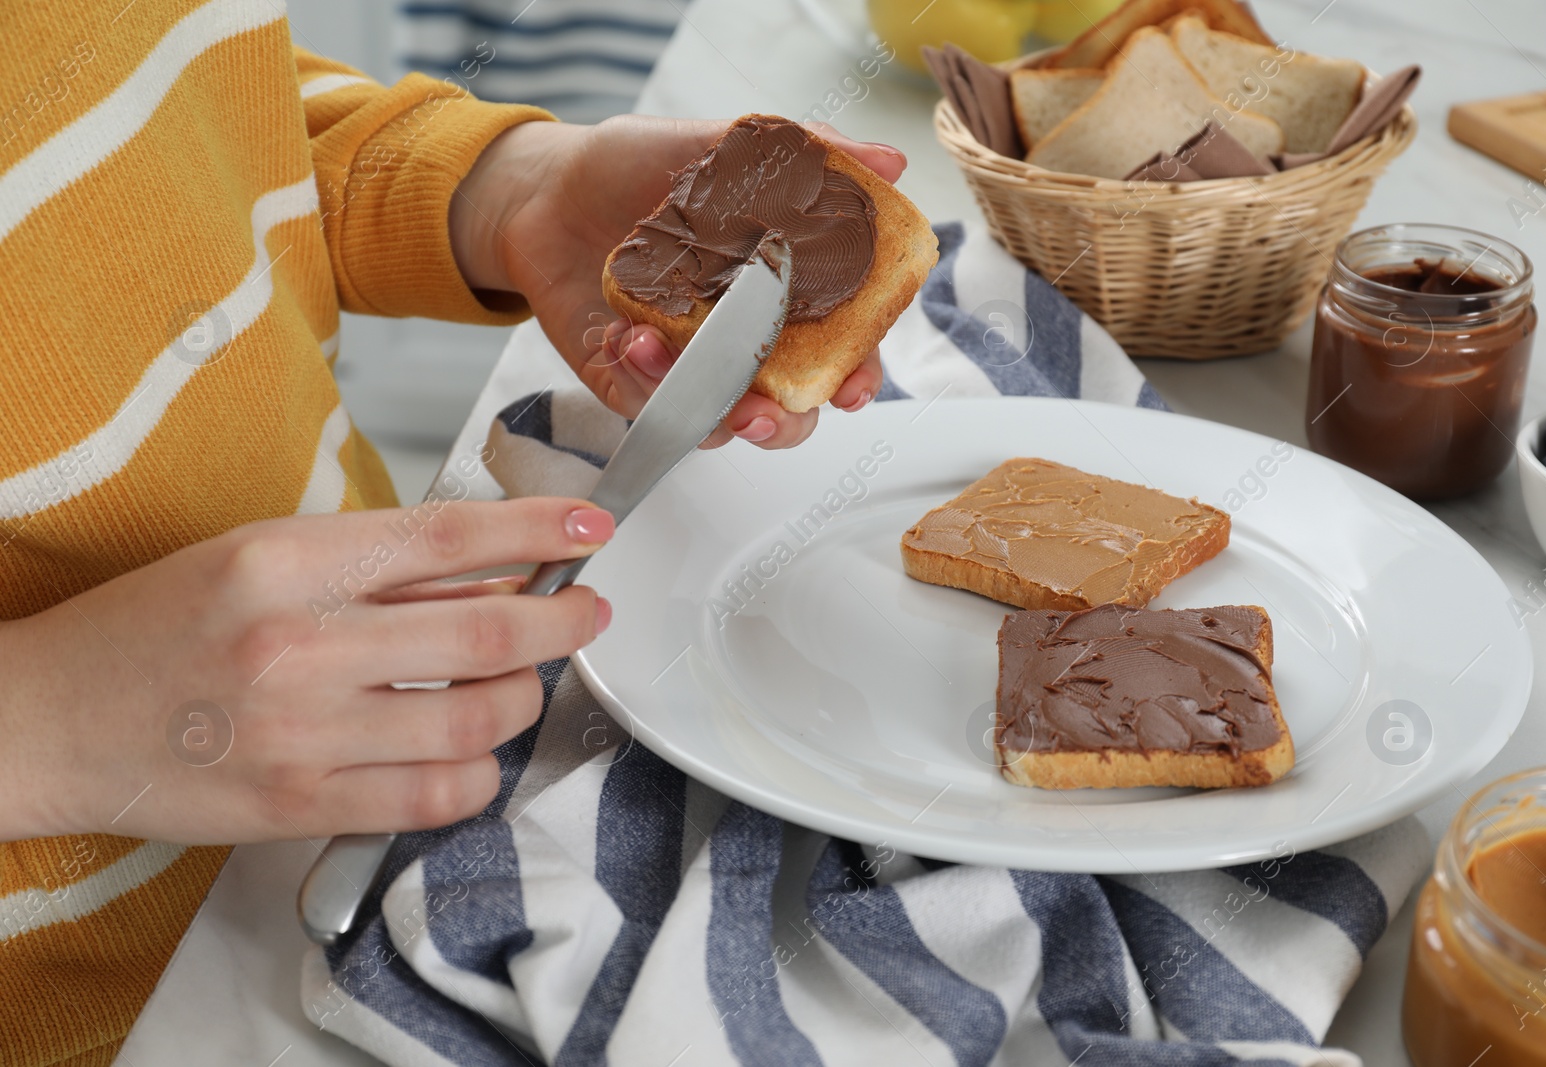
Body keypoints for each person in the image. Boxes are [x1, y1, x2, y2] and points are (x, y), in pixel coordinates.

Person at [0, 4, 905, 1062]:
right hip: (105, 1003)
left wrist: (503, 192)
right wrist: (47, 720)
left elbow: (170, 99)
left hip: (376, 726)